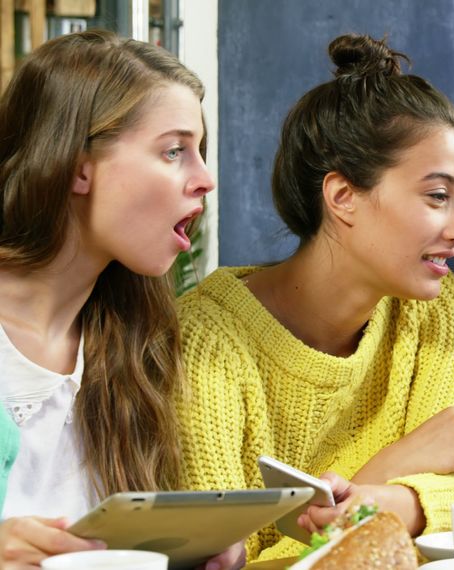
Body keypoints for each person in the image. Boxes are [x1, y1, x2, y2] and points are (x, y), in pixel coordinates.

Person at [176, 33, 454, 562]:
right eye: (438, 196)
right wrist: (395, 466)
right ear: (343, 197)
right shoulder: (206, 340)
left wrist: (369, 502)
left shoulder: (435, 310)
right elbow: (231, 560)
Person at [0, 31, 236, 568]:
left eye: (199, 152)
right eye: (174, 150)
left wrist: (182, 547)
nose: (205, 179)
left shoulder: (133, 340)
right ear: (77, 164)